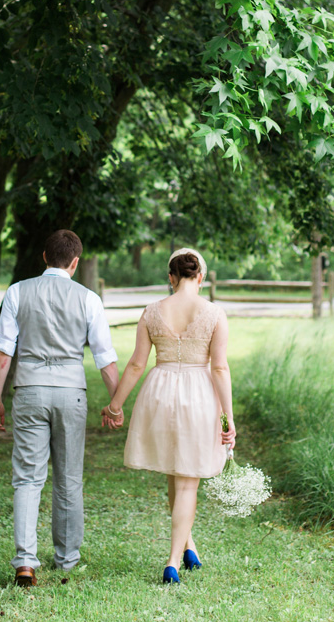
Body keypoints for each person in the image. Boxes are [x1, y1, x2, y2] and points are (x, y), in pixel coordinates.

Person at [0, 230, 119, 587]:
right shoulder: (89, 299)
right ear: (75, 262)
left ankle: (26, 562)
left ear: (44, 256)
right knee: (69, 478)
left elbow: (4, 352)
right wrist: (116, 403)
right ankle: (66, 559)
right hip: (70, 395)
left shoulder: (17, 292)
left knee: (28, 478)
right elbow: (105, 359)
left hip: (29, 391)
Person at [101, 248, 236, 584]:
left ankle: (189, 546)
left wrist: (115, 405)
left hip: (159, 394)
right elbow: (218, 367)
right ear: (200, 277)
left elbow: (135, 364)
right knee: (187, 480)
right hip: (198, 395)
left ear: (171, 277)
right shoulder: (215, 313)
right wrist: (228, 417)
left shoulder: (151, 312)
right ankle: (173, 562)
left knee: (176, 472)